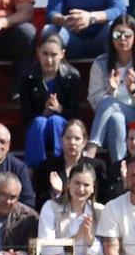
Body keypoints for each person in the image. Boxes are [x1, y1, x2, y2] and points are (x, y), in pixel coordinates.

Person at [88, 18, 135, 164]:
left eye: (127, 35)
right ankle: (119, 169)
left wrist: (132, 89)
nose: (122, 39)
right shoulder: (101, 63)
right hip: (110, 122)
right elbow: (95, 104)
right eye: (117, 35)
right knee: (116, 117)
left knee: (109, 103)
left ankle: (90, 150)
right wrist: (111, 91)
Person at [36, 160, 105, 255]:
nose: (81, 189)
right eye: (77, 183)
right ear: (68, 184)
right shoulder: (51, 207)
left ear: (93, 188)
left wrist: (89, 237)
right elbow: (46, 248)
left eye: (86, 185)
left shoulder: (99, 212)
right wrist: (75, 237)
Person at [15, 32, 86, 167]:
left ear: (62, 54)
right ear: (38, 52)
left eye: (53, 55)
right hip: (37, 126)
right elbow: (25, 115)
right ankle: (35, 169)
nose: (49, 59)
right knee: (39, 122)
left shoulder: (72, 76)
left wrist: (59, 109)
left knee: (55, 120)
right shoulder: (28, 77)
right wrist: (43, 113)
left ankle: (61, 166)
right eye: (45, 54)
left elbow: (76, 115)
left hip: (61, 125)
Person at [36, 118, 108, 207]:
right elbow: (39, 202)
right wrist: (55, 193)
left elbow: (103, 198)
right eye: (68, 138)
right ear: (61, 140)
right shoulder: (47, 167)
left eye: (77, 139)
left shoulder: (97, 166)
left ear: (84, 141)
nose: (72, 142)